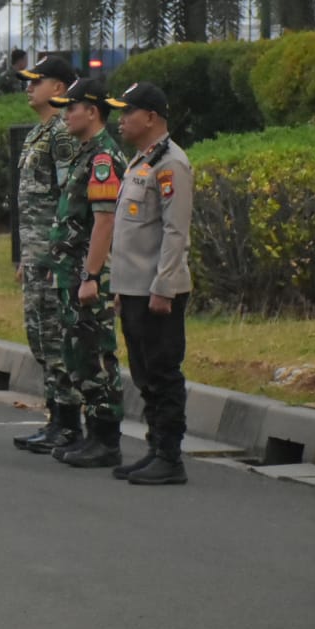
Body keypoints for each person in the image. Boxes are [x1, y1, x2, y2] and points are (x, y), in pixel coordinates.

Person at [108, 82, 193, 485]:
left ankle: (170, 457)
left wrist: (165, 285)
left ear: (152, 117)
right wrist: (119, 288)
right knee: (143, 374)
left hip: (158, 290)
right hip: (135, 288)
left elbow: (176, 232)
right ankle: (155, 448)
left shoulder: (170, 164)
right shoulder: (141, 161)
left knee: (162, 371)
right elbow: (128, 233)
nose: (121, 119)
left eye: (128, 112)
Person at [45, 78, 128, 468]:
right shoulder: (84, 154)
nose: (64, 115)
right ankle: (92, 433)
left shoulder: (102, 159)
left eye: (70, 108)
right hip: (71, 273)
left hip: (88, 275)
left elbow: (104, 223)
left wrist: (91, 275)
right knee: (77, 354)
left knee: (95, 354)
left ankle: (106, 438)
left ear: (91, 111)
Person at [10, 55, 82, 453]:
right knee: (39, 337)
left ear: (58, 88)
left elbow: (68, 200)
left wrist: (59, 254)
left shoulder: (63, 135)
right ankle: (55, 418)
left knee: (56, 339)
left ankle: (68, 423)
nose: (28, 86)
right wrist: (26, 255)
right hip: (37, 256)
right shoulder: (40, 132)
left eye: (36, 80)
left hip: (55, 257)